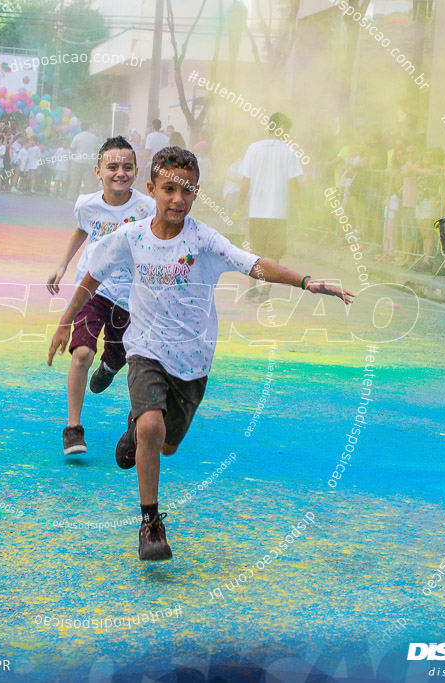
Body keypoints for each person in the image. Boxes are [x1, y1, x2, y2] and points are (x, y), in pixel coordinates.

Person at [47, 147, 352, 560]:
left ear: (196, 194)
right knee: (153, 427)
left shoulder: (204, 240)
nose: (177, 199)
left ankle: (137, 432)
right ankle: (150, 522)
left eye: (186, 191)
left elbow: (253, 264)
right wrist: (67, 320)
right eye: (168, 189)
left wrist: (306, 282)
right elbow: (93, 274)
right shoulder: (131, 237)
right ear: (152, 189)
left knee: (166, 444)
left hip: (193, 360)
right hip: (146, 350)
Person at [45, 137, 155, 455]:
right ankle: (73, 428)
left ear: (135, 171)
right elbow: (83, 228)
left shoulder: (147, 208)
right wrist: (62, 265)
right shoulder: (87, 204)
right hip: (92, 288)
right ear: (98, 171)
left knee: (124, 356)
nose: (120, 172)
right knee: (81, 354)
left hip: (130, 295)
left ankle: (110, 365)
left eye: (127, 167)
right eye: (112, 166)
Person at [233, 112, 303, 297]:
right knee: (273, 254)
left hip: (257, 211)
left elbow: (245, 181)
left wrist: (240, 207)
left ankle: (251, 290)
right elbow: (293, 184)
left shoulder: (254, 149)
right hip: (279, 212)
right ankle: (265, 292)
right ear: (283, 128)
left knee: (255, 253)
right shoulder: (288, 151)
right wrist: (299, 209)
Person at [68, 122, 100, 198]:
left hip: (78, 161)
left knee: (75, 180)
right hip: (89, 162)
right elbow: (97, 149)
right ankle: (88, 197)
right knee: (88, 181)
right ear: (89, 128)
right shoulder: (94, 137)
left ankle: (72, 195)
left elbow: (72, 148)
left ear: (81, 128)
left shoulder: (77, 137)